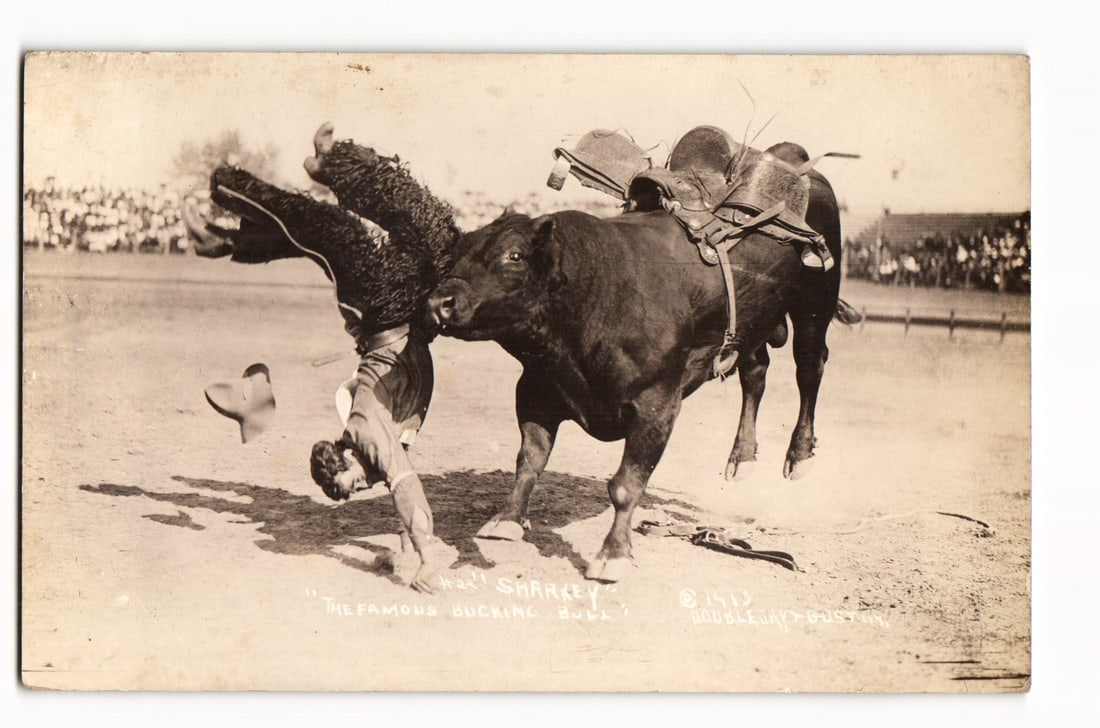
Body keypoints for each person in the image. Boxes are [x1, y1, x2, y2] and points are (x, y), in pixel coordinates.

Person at [184, 122, 459, 593]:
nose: (353, 492)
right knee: (432, 228)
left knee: (332, 233)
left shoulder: (369, 436)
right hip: (406, 309)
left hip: (377, 309)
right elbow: (401, 484)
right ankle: (330, 163)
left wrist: (428, 557)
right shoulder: (380, 444)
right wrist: (406, 549)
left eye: (345, 486)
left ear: (347, 459)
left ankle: (227, 187)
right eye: (347, 493)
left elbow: (407, 490)